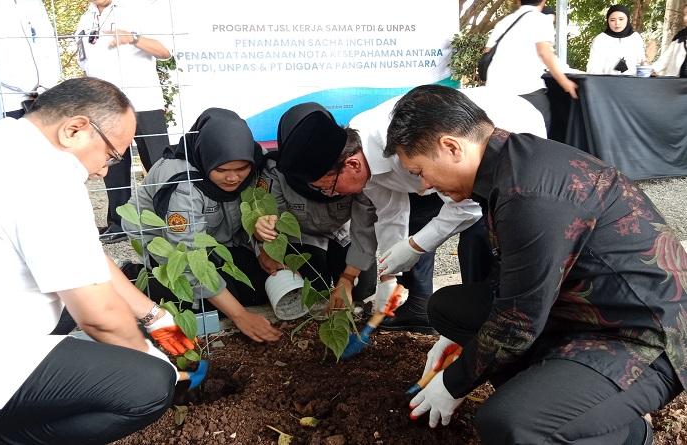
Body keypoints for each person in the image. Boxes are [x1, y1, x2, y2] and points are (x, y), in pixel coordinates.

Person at [0, 78, 196, 444]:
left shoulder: (4, 145)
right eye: (110, 156)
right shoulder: (45, 176)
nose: (104, 170)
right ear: (75, 130)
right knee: (147, 385)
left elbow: (86, 257)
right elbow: (100, 317)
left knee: (71, 309)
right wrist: (157, 359)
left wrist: (156, 317)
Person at [387, 85, 685, 445]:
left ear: (451, 147)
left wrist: (453, 383)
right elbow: (512, 283)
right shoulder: (513, 163)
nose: (423, 187)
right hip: (579, 309)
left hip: (644, 336)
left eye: (420, 171)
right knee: (450, 308)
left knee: (509, 425)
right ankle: (556, 395)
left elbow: (518, 322)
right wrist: (460, 346)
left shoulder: (529, 194)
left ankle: (628, 435)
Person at [279, 87, 547, 333]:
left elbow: (466, 206)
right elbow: (389, 212)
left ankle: (502, 322)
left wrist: (416, 245)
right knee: (427, 225)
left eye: (330, 188)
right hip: (455, 164)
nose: (332, 195)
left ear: (352, 165)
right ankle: (465, 318)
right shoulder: (358, 151)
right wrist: (388, 276)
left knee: (485, 239)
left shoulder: (402, 147)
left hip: (511, 134)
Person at [122, 108, 282, 343]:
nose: (233, 178)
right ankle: (133, 278)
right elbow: (187, 255)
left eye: (241, 169)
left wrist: (262, 250)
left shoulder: (256, 160)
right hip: (168, 243)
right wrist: (240, 316)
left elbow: (257, 214)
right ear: (206, 160)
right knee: (202, 305)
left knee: (256, 289)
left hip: (217, 238)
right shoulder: (182, 182)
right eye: (222, 170)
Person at [253, 103, 377, 304]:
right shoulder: (277, 172)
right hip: (303, 237)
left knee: (363, 286)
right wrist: (263, 242)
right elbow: (270, 223)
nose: (326, 192)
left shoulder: (349, 167)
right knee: (314, 290)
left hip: (343, 233)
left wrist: (347, 279)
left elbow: (365, 229)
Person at [76, 0, 173, 243]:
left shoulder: (138, 9)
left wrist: (133, 38)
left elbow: (165, 51)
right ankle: (119, 224)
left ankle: (172, 218)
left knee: (159, 164)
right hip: (105, 106)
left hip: (144, 103)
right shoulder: (85, 19)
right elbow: (85, 62)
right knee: (113, 166)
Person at [484, 0, 578, 133]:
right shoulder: (540, 19)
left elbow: (487, 52)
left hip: (495, 91)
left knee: (502, 136)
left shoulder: (504, 22)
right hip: (526, 90)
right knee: (538, 135)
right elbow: (544, 53)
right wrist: (564, 82)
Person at [0, 0, 62, 118]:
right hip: (7, 101)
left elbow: (48, 43)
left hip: (44, 97)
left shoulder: (34, 4)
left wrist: (48, 83)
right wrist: (25, 87)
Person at [587, 5, 646, 75]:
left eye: (621, 19)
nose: (617, 23)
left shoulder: (635, 38)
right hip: (605, 81)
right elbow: (593, 69)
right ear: (608, 21)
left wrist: (648, 68)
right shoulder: (600, 40)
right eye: (612, 20)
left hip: (633, 81)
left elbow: (642, 63)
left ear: (627, 19)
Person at [652, 3, 687, 77]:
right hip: (675, 82)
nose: (685, 18)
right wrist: (651, 70)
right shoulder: (679, 37)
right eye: (684, 14)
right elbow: (664, 59)